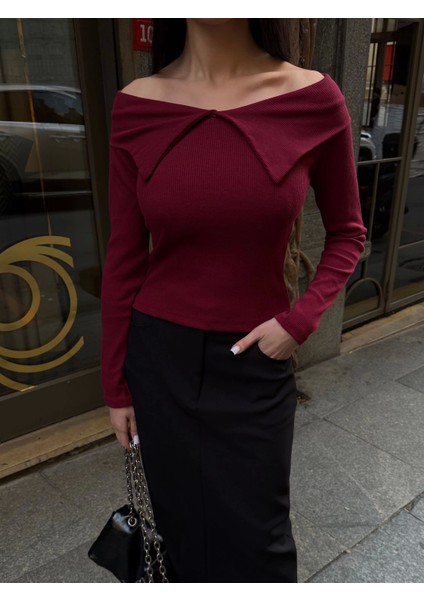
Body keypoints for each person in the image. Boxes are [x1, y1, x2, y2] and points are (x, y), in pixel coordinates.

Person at [100, 18, 367, 583]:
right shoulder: (136, 105)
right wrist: (116, 385)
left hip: (253, 360)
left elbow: (348, 233)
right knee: (179, 531)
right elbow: (124, 256)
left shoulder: (312, 98)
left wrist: (299, 322)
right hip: (158, 362)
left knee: (260, 544)